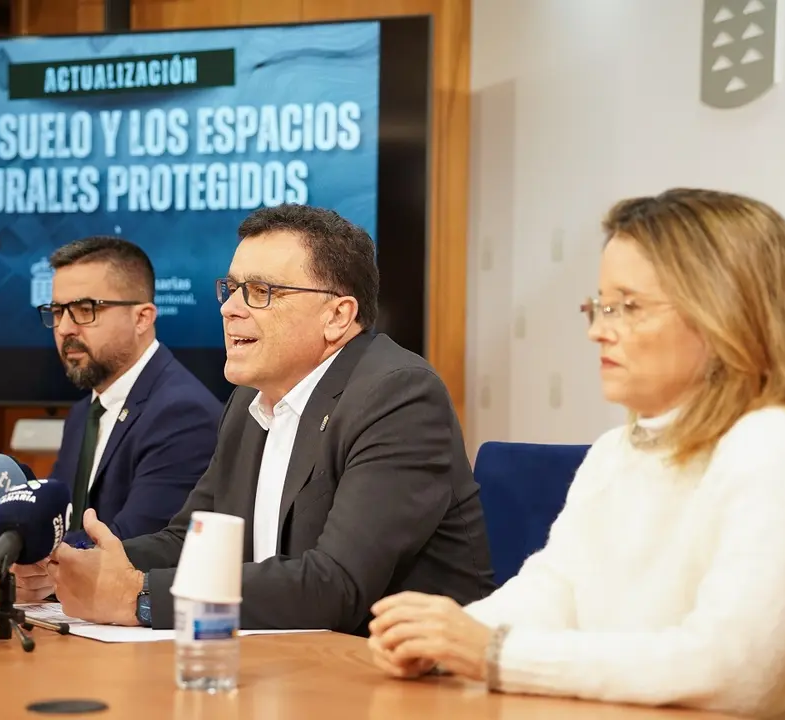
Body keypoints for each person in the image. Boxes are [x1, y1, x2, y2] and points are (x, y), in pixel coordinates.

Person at [367, 188, 785, 720]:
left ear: (725, 313)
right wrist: (442, 641)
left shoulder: (780, 443)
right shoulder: (616, 450)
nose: (599, 330)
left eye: (629, 307)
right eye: (599, 305)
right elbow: (557, 588)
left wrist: (492, 653)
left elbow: (732, 670)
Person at [42, 204, 495, 634]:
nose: (229, 308)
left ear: (338, 316)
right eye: (231, 288)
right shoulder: (248, 402)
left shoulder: (397, 396)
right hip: (285, 666)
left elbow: (336, 584)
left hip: (401, 683)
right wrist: (66, 565)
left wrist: (138, 597)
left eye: (261, 292)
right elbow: (189, 542)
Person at [0, 237, 222, 600]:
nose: (64, 329)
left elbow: (126, 546)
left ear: (142, 318)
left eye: (85, 309)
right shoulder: (85, 413)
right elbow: (53, 531)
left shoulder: (181, 413)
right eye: (57, 311)